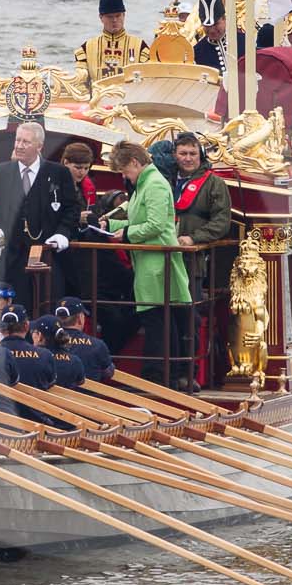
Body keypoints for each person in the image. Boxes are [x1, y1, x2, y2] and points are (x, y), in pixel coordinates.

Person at [105, 141, 194, 391]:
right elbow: (138, 218)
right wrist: (109, 226)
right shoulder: (145, 183)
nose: (124, 176)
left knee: (158, 321)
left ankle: (159, 376)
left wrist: (126, 234)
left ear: (135, 162)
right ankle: (167, 375)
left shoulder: (153, 184)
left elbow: (154, 225)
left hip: (157, 263)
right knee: (161, 320)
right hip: (149, 262)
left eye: (125, 171)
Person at [0, 119, 81, 310]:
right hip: (12, 257)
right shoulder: (0, 173)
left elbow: (72, 209)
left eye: (26, 142)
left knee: (48, 305)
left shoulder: (58, 173)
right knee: (14, 310)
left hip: (48, 255)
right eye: (17, 140)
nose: (19, 146)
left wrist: (62, 234)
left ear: (39, 146)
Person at [170, 131, 229, 384]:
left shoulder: (213, 184)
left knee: (189, 318)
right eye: (183, 153)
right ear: (175, 155)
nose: (188, 158)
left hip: (191, 262)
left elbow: (221, 222)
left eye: (193, 153)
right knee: (164, 317)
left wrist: (194, 238)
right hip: (161, 259)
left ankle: (189, 374)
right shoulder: (166, 180)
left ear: (200, 155)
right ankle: (167, 373)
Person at [70, 0, 151, 89]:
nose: (115, 20)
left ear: (124, 15)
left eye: (118, 15)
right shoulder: (86, 49)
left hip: (130, 101)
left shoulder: (141, 47)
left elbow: (148, 81)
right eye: (110, 17)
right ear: (101, 17)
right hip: (98, 101)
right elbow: (80, 84)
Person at [52, 298, 114, 382]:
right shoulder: (97, 345)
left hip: (51, 394)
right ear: (80, 318)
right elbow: (109, 373)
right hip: (89, 394)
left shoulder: (45, 343)